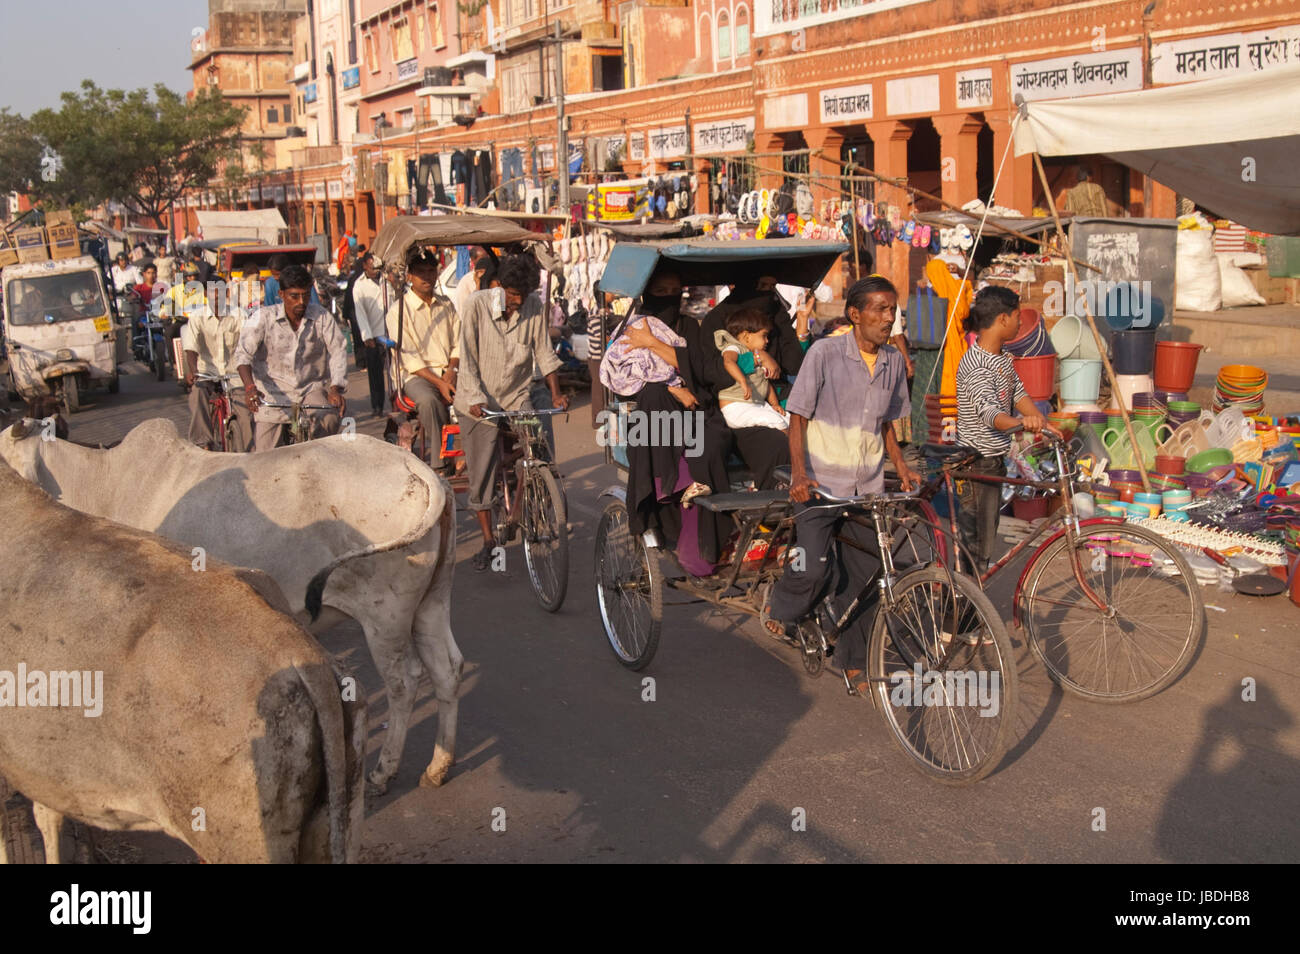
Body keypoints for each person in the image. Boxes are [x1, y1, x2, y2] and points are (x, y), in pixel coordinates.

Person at [767, 276, 921, 694]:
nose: (888, 318)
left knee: (868, 576)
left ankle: (856, 662)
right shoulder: (825, 353)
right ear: (855, 314)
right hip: (820, 482)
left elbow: (887, 423)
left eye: (892, 310)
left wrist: (902, 467)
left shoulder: (892, 362)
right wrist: (799, 475)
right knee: (813, 565)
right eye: (879, 309)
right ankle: (783, 607)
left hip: (866, 485)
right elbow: (796, 415)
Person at [455, 254, 568, 570]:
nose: (517, 302)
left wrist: (557, 394)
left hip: (517, 394)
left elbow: (544, 353)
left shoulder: (532, 306)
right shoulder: (477, 305)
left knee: (537, 440)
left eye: (523, 296)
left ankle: (528, 504)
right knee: (483, 468)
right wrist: (476, 398)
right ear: (499, 286)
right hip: (477, 397)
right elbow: (468, 357)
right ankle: (488, 540)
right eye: (513, 295)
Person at [954, 285, 1054, 572]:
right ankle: (964, 605)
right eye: (1017, 316)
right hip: (976, 464)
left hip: (994, 460)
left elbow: (1018, 394)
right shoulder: (976, 363)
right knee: (975, 544)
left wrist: (1042, 424)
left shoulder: (1002, 358)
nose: (1021, 322)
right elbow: (989, 413)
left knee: (986, 539)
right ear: (1002, 320)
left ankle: (973, 599)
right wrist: (1022, 423)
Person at [235, 264, 348, 452]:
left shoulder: (322, 317)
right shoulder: (262, 317)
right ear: (281, 294)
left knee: (329, 420)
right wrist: (249, 388)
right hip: (271, 394)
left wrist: (336, 388)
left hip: (310, 390)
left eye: (305, 295)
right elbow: (242, 355)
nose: (301, 302)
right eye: (294, 296)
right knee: (265, 456)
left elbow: (338, 351)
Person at [386, 250, 459, 472]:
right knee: (429, 402)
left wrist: (452, 371)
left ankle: (472, 456)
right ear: (410, 276)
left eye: (431, 271)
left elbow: (459, 342)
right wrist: (440, 383)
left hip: (449, 371)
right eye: (421, 273)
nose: (427, 277)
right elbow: (409, 359)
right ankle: (441, 463)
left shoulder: (446, 305)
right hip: (417, 376)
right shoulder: (399, 310)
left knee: (477, 398)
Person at [181, 281, 251, 451]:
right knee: (198, 394)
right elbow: (191, 349)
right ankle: (202, 442)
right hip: (207, 372)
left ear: (227, 293)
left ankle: (251, 451)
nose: (217, 298)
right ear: (206, 294)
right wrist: (193, 371)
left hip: (234, 372)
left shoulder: (240, 315)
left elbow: (249, 345)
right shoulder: (197, 317)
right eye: (213, 293)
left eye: (220, 293)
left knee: (247, 412)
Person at [715, 307, 790, 431]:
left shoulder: (757, 358)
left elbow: (766, 385)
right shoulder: (734, 348)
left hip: (756, 404)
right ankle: (791, 448)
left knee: (788, 419)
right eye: (764, 336)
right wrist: (742, 381)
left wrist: (775, 404)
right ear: (746, 336)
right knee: (776, 421)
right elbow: (728, 362)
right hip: (735, 406)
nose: (767, 341)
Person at [351, 252, 390, 416]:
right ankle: (377, 406)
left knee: (395, 372)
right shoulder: (359, 286)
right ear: (365, 266)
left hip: (389, 332)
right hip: (373, 335)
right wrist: (367, 336)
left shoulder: (386, 281)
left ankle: (397, 402)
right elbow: (360, 312)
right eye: (372, 266)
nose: (375, 270)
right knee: (375, 375)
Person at [451, 246, 488, 318]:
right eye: (483, 258)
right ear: (473, 260)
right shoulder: (466, 281)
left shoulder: (494, 278)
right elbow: (461, 310)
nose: (486, 261)